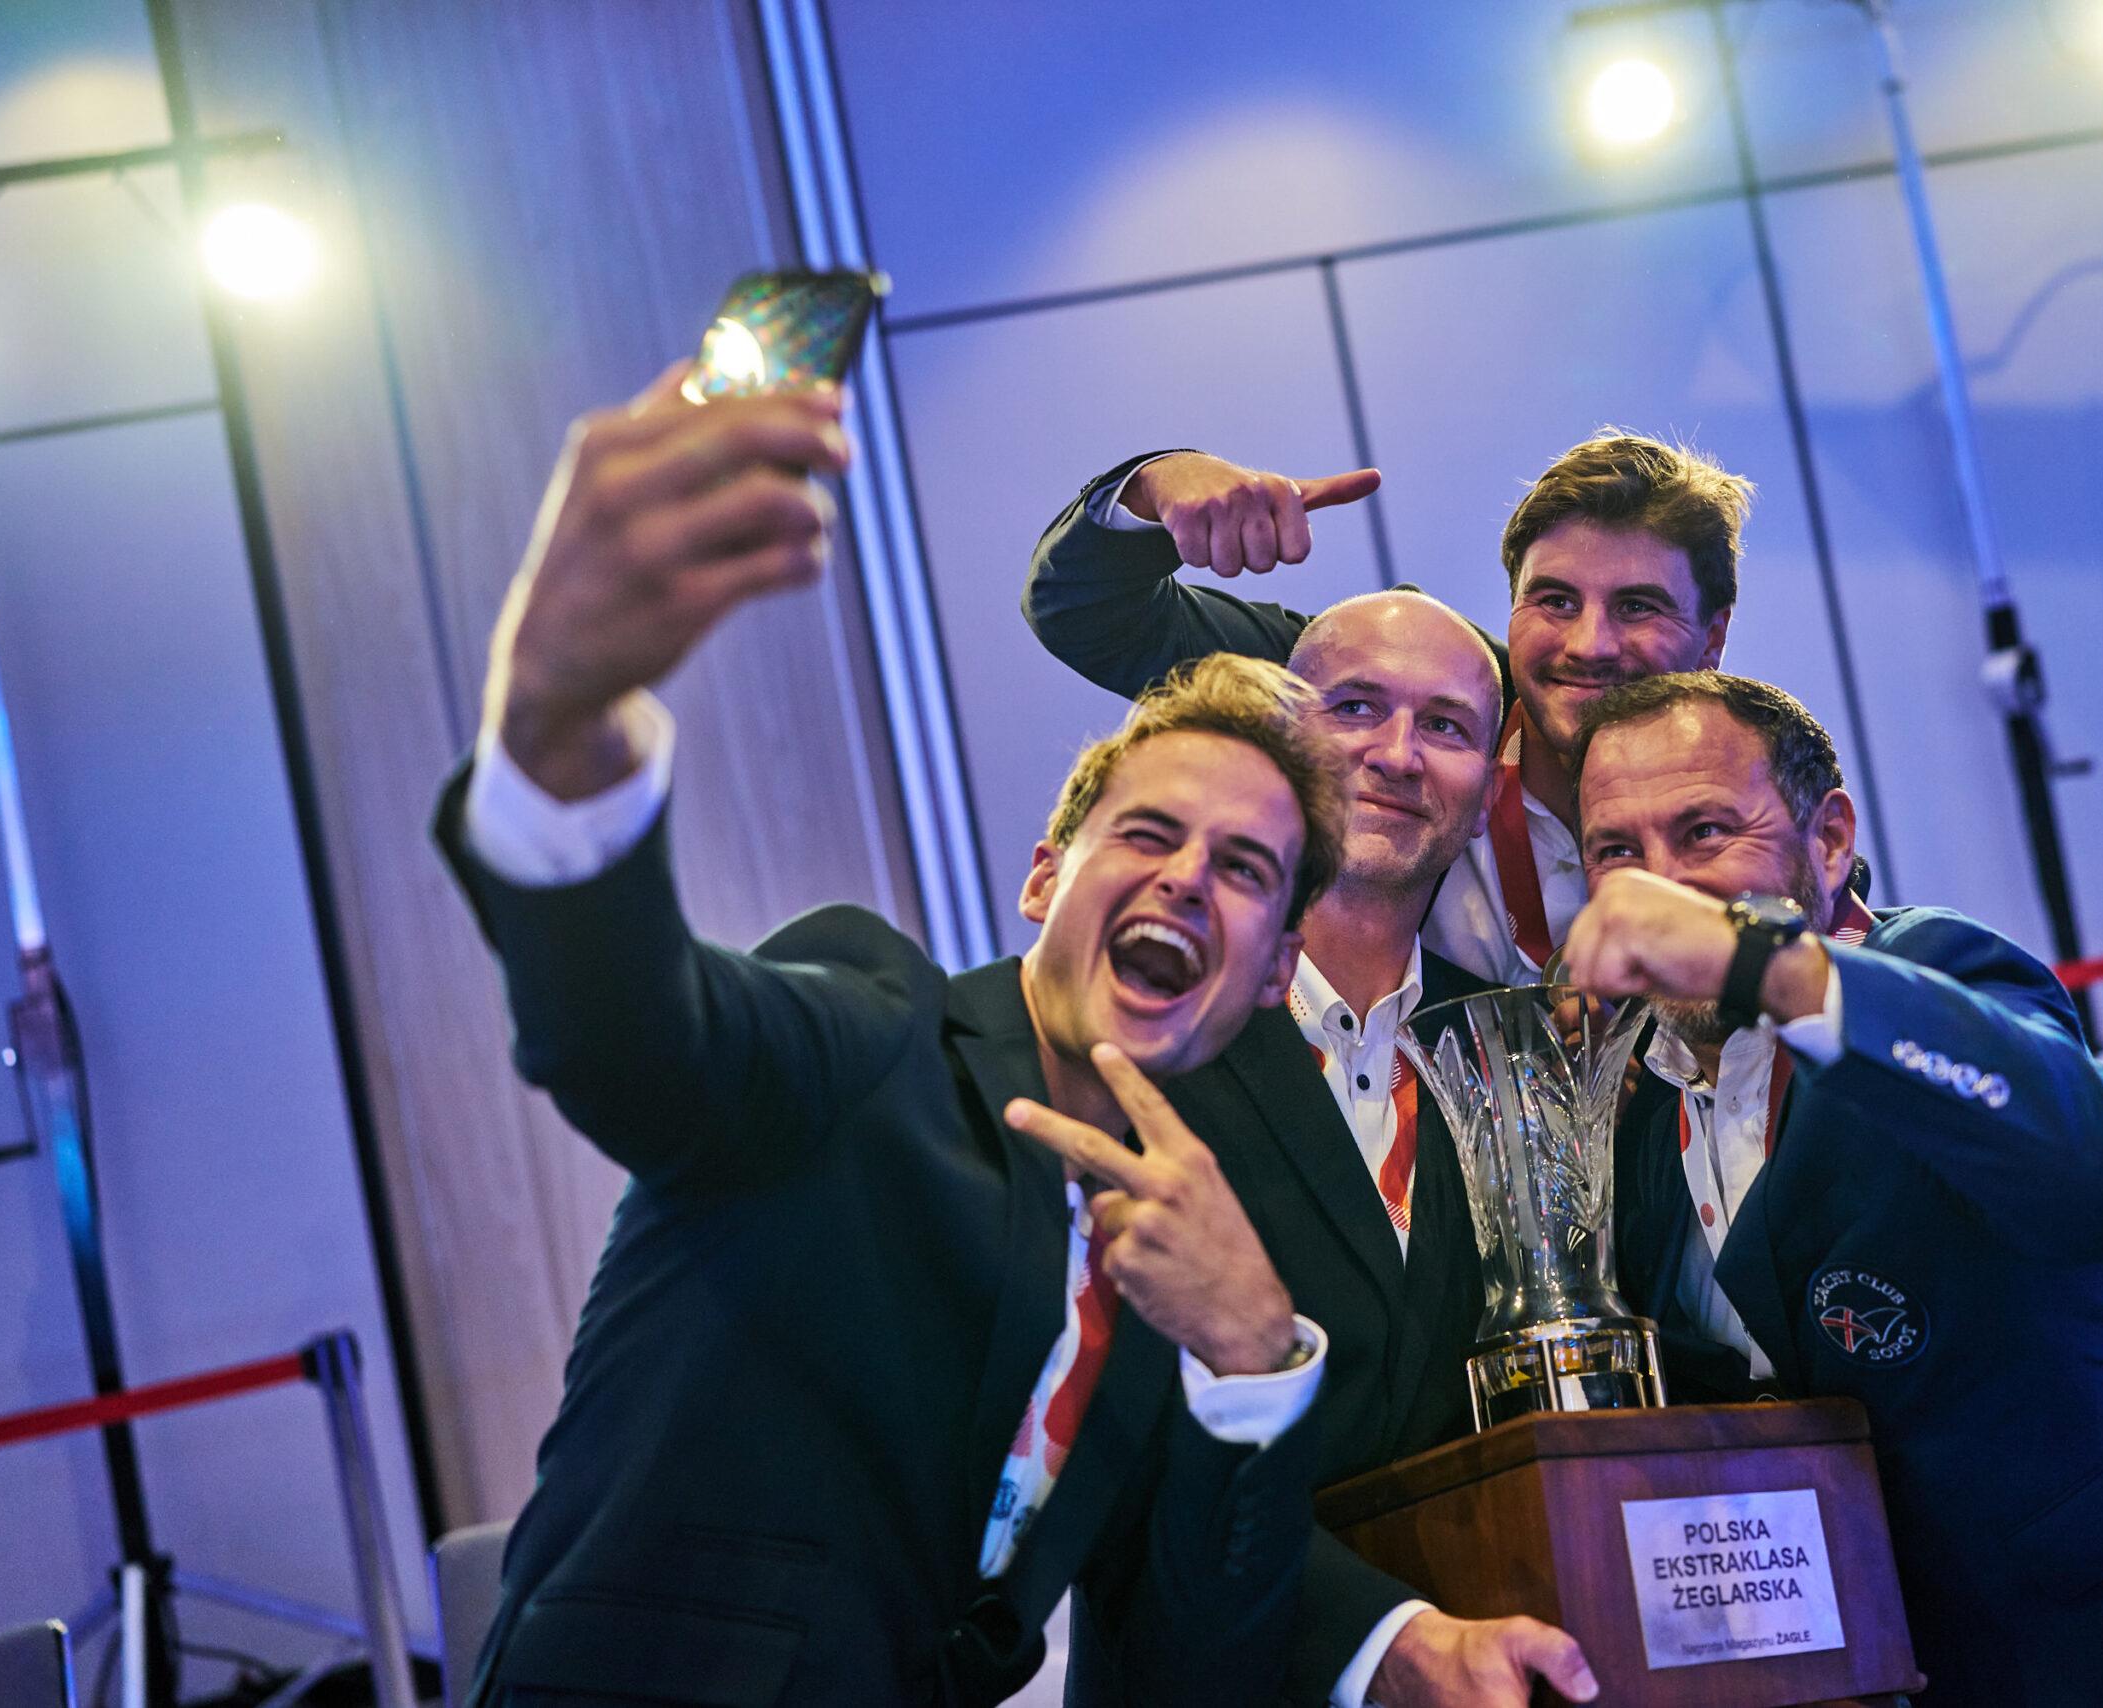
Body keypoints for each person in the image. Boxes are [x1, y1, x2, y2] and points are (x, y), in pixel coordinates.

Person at [437, 368, 1347, 1707]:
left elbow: (1187, 1674)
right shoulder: (872, 1034)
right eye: (1147, 833)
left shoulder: (1185, 1249)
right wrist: (558, 732)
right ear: (1043, 881)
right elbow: (631, 1039)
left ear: (1274, 973)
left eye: (1246, 870)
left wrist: (1255, 1364)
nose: (1185, 880)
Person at [1554, 670, 2103, 1707]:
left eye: (1704, 832)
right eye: (1616, 851)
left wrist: (1772, 968)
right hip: (1905, 1661)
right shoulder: (1632, 1098)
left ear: (1828, 841)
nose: (1658, 888)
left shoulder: (1935, 973)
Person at [1070, 590, 1599, 1708]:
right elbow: (1110, 1446)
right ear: (1280, 745)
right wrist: (1389, 1643)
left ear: (1487, 780)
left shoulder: (1524, 1046)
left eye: (1445, 726)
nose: (1398, 754)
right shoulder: (1150, 1026)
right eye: (1355, 707)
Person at [1023, 434, 1750, 984]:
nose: (1589, 644)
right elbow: (1083, 612)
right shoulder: (1395, 693)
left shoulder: (1748, 795)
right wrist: (1158, 483)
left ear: (1712, 638)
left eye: (1638, 607)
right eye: (1555, 601)